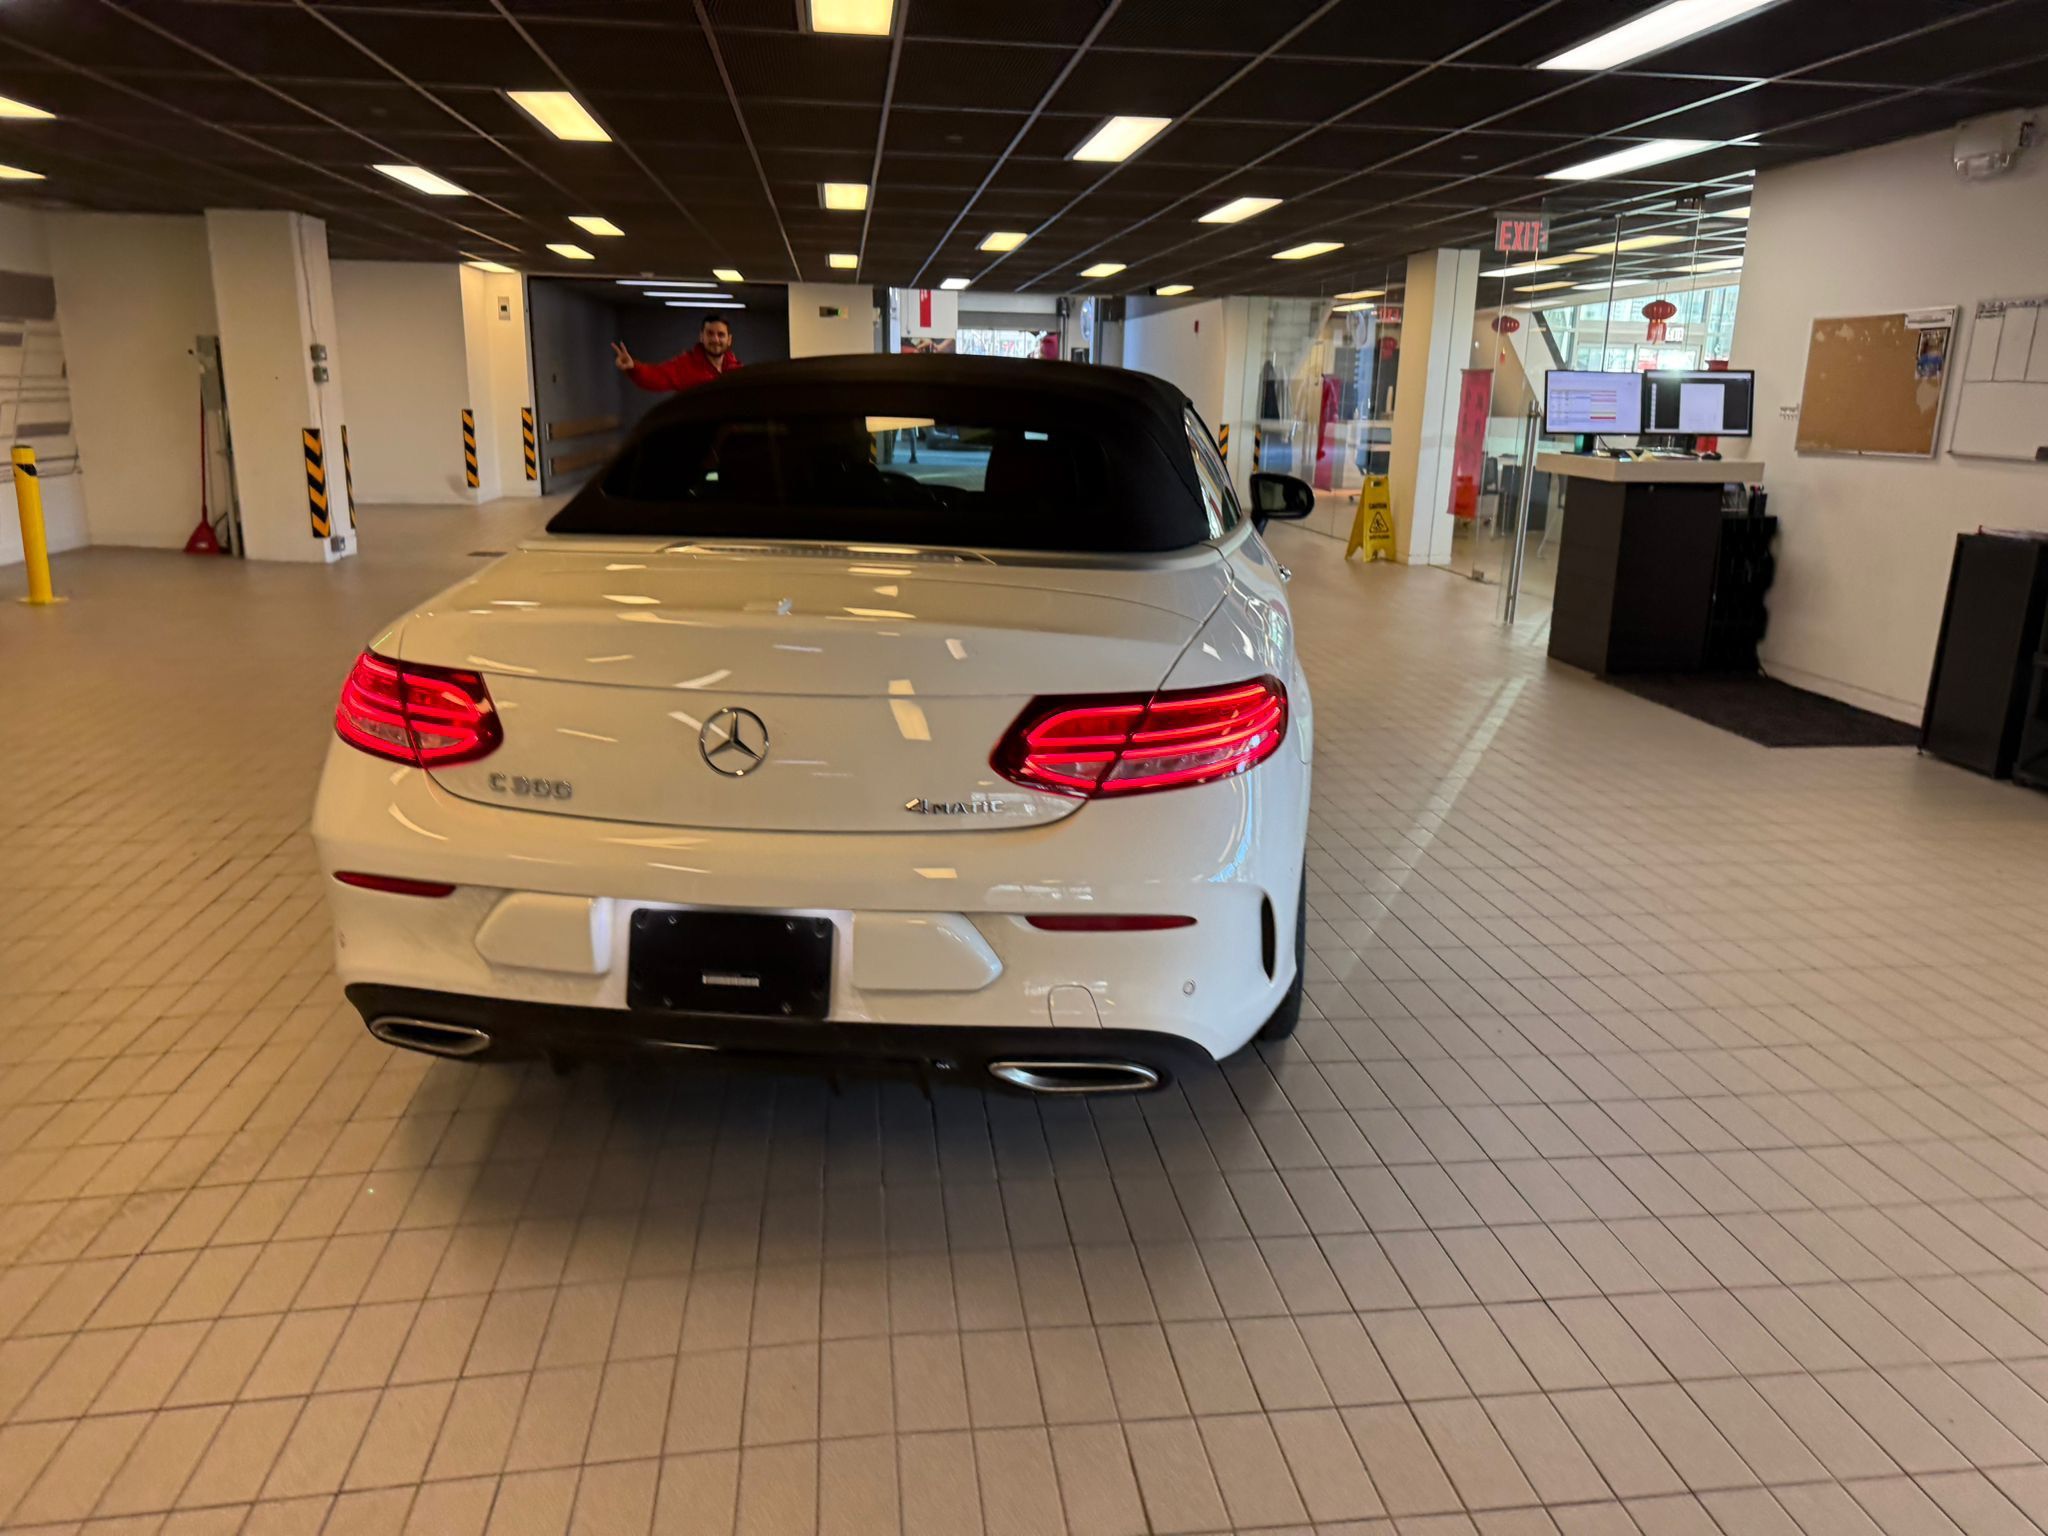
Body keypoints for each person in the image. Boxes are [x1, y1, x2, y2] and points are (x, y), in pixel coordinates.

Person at [613, 316, 741, 392]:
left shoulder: (736, 371)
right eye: (710, 334)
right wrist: (633, 367)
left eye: (721, 335)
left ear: (729, 340)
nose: (715, 340)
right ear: (701, 337)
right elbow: (656, 376)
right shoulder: (685, 365)